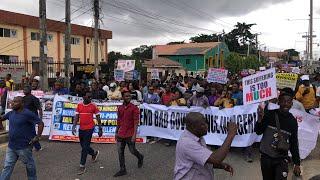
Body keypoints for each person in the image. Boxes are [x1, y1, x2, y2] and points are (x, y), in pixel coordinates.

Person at [174, 112, 237, 180]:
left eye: (205, 123)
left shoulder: (198, 137)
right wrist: (231, 134)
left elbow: (205, 158)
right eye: (202, 125)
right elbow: (216, 158)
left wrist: (221, 166)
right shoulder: (187, 143)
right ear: (193, 127)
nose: (206, 126)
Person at [255, 92, 301, 180]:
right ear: (279, 102)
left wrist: (297, 163)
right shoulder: (269, 114)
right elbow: (258, 131)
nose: (286, 104)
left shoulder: (292, 122)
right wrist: (260, 119)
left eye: (288, 102)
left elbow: (294, 142)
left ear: (291, 104)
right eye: (283, 101)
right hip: (266, 157)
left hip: (281, 159)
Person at [0, 96, 44, 180]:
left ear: (22, 104)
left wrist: (38, 137)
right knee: (7, 167)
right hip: (11, 146)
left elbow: (40, 123)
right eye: (12, 101)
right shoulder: (11, 113)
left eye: (15, 102)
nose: (12, 103)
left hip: (24, 147)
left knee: (29, 166)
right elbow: (1, 119)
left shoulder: (28, 114)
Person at [114, 91, 144, 177]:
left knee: (132, 150)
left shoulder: (134, 108)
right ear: (123, 97)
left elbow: (136, 122)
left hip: (130, 133)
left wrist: (134, 135)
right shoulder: (120, 108)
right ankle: (122, 169)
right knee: (120, 152)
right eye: (126, 96)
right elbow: (119, 120)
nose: (128, 97)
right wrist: (116, 132)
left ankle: (140, 157)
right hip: (121, 133)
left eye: (129, 96)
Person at [72, 92, 103, 175]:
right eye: (88, 97)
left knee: (84, 147)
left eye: (91, 97)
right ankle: (94, 153)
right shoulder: (79, 105)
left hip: (90, 128)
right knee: (83, 146)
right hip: (81, 128)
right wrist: (74, 126)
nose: (90, 98)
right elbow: (76, 117)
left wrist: (100, 128)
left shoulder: (93, 106)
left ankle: (82, 165)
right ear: (84, 97)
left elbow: (98, 117)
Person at [23, 85, 43, 151]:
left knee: (31, 132)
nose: (24, 91)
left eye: (25, 89)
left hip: (32, 118)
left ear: (29, 91)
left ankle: (37, 147)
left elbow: (40, 109)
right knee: (28, 132)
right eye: (23, 89)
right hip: (24, 117)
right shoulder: (23, 98)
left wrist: (40, 118)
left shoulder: (34, 98)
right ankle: (36, 146)